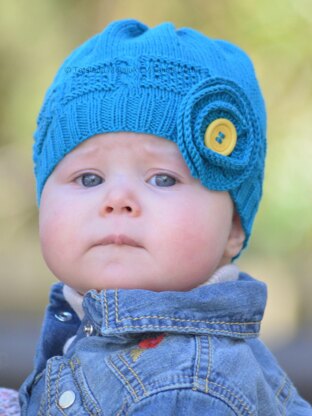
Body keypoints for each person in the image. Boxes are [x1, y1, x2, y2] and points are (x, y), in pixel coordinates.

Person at [19, 19, 312, 415]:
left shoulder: (189, 389)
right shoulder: (86, 335)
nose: (118, 199)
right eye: (89, 178)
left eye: (163, 179)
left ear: (233, 228)